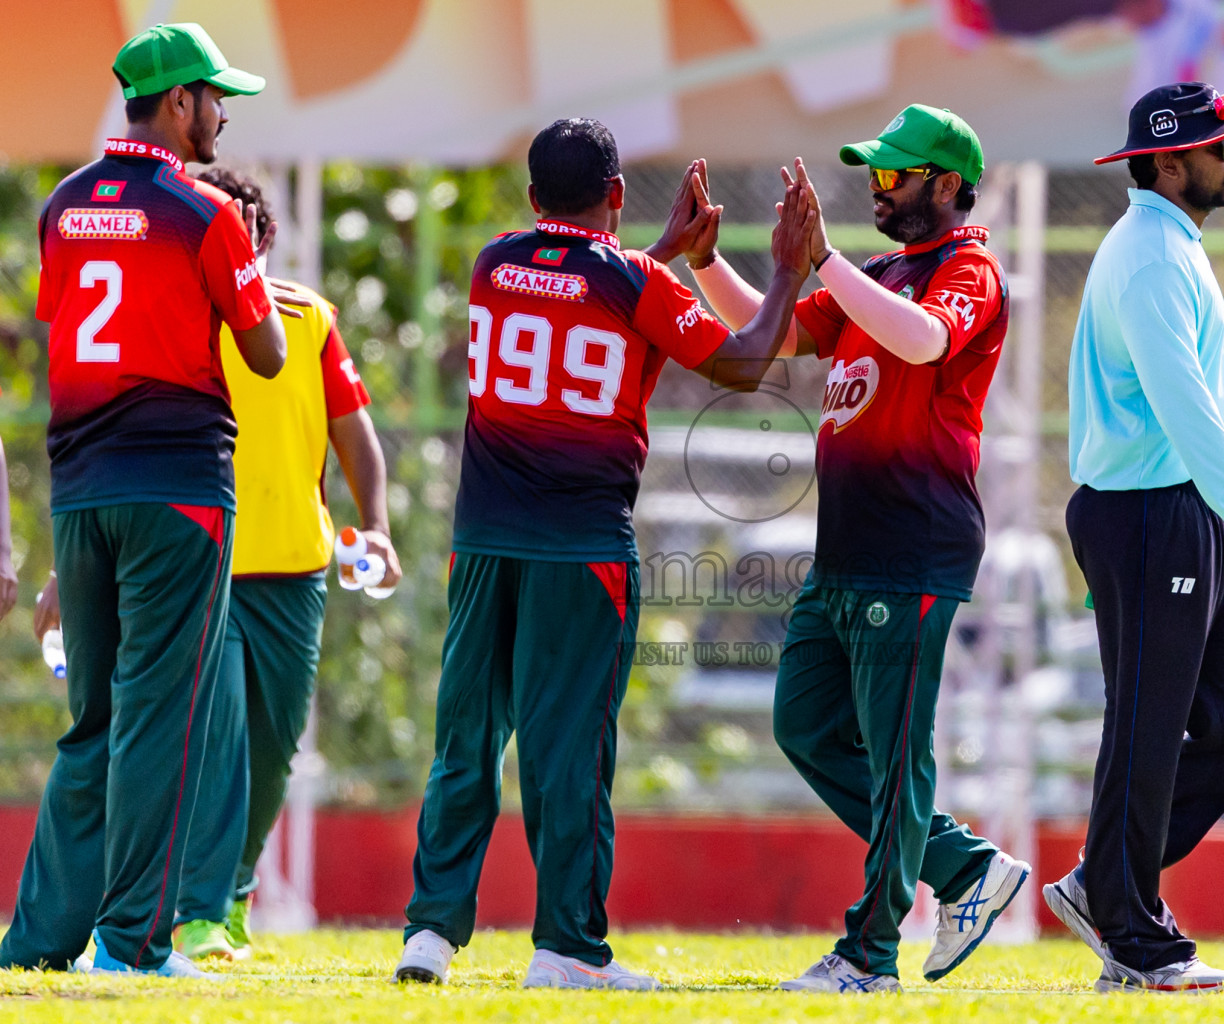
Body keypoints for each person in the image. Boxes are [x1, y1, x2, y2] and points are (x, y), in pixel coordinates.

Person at [393, 118, 814, 989]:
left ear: (532, 196)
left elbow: (581, 283)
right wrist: (781, 267)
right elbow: (741, 363)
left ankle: (429, 934)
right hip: (580, 550)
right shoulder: (632, 281)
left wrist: (661, 251)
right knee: (569, 747)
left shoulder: (493, 262)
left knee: (466, 737)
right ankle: (567, 948)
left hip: (482, 542)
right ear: (616, 195)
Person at [656, 104, 1027, 993]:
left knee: (897, 750)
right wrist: (709, 264)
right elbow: (777, 336)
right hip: (845, 550)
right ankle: (966, 868)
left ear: (947, 184)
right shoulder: (882, 269)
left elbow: (927, 338)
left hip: (914, 543)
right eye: (875, 173)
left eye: (895, 175)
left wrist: (820, 260)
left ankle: (870, 954)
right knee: (805, 723)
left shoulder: (968, 268)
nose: (878, 188)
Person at [33, 167, 403, 961]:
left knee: (271, 754)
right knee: (208, 737)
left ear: (255, 242)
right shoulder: (165, 314)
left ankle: (225, 898)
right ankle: (187, 916)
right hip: (203, 560)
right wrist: (74, 566)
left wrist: (376, 526)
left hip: (296, 569)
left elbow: (355, 433)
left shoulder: (305, 319)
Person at [0, 23, 302, 977]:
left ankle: (38, 940)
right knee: (160, 721)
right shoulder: (203, 211)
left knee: (92, 723)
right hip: (178, 493)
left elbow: (77, 336)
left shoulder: (63, 203)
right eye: (218, 99)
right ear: (179, 104)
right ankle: (128, 947)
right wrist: (241, 267)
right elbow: (267, 353)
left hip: (83, 496)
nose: (224, 116)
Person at [1042, 82, 1224, 993]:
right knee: (1148, 727)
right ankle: (1135, 935)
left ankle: (1106, 881)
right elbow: (1180, 407)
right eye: (1216, 146)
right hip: (1155, 511)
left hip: (1190, 515)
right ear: (1166, 162)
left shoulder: (1171, 246)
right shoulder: (1151, 255)